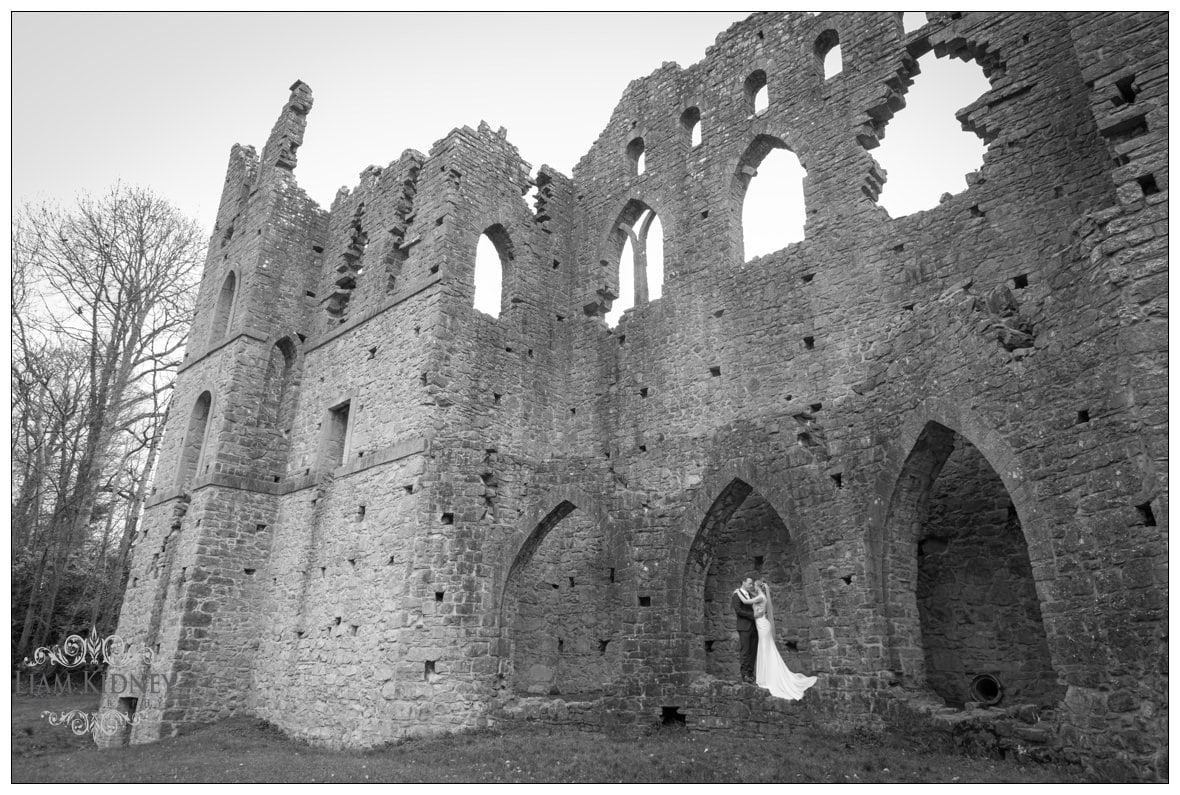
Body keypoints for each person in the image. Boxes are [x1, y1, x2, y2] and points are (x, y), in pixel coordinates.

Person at [750, 579, 817, 700]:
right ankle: (767, 676)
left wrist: (751, 611)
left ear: (758, 586)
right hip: (762, 624)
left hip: (762, 624)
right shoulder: (762, 596)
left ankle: (767, 678)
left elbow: (756, 613)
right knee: (767, 649)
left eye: (754, 585)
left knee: (766, 649)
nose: (753, 587)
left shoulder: (760, 597)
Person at [731, 575, 759, 683]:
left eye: (752, 583)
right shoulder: (736, 595)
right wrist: (753, 615)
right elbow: (738, 610)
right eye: (749, 583)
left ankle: (751, 673)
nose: (751, 585)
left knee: (753, 651)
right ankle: (745, 675)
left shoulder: (750, 595)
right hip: (744, 627)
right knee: (745, 651)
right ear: (743, 582)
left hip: (754, 627)